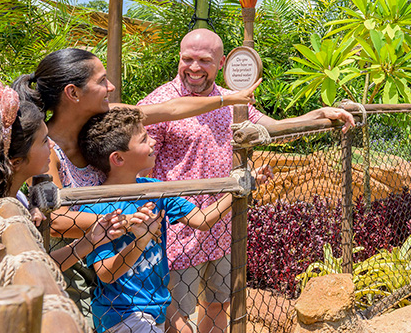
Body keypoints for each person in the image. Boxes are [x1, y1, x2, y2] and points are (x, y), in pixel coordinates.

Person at [11, 47, 259, 315]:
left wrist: (228, 99)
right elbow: (58, 221)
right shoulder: (46, 150)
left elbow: (171, 109)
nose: (111, 86)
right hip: (73, 266)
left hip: (115, 257)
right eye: (101, 81)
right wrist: (128, 221)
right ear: (73, 93)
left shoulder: (103, 124)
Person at [138, 29, 355, 333]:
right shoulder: (160, 102)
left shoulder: (231, 101)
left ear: (222, 62)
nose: (195, 67)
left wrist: (320, 113)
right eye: (187, 58)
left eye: (204, 60)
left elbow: (274, 128)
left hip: (224, 225)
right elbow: (139, 167)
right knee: (176, 317)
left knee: (218, 304)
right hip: (178, 230)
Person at [77, 107, 267, 333]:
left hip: (156, 305)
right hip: (121, 314)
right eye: (144, 139)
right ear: (118, 158)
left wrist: (242, 186)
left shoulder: (155, 189)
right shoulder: (98, 206)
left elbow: (201, 220)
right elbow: (106, 274)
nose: (154, 141)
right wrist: (141, 239)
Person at [0, 78, 128, 272]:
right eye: (44, 141)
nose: (52, 145)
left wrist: (89, 241)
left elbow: (40, 266)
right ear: (15, 162)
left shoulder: (14, 198)